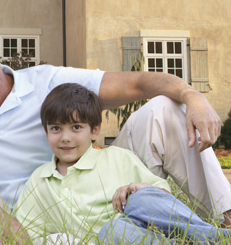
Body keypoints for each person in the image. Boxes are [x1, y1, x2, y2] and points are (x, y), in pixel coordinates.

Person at [0, 1, 231, 231]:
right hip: (29, 215)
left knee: (165, 109)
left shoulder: (46, 81)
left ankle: (225, 219)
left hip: (96, 187)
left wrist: (194, 97)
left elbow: (137, 82)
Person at [14, 83, 230, 244]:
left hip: (138, 228)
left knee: (135, 205)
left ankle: (214, 237)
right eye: (56, 129)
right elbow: (27, 230)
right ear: (46, 132)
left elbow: (163, 198)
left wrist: (137, 188)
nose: (65, 138)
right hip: (108, 240)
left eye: (76, 127)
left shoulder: (117, 157)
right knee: (112, 231)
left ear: (95, 131)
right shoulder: (40, 179)